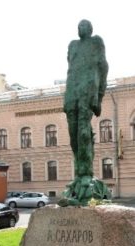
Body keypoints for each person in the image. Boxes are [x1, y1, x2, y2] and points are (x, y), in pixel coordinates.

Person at [64, 19, 108, 179]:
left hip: (88, 90)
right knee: (72, 132)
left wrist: (100, 95)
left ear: (90, 28)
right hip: (72, 90)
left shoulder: (96, 41)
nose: (80, 28)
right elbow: (71, 67)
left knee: (83, 131)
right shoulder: (73, 45)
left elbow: (103, 67)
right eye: (78, 26)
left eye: (84, 25)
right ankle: (79, 167)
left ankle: (85, 172)